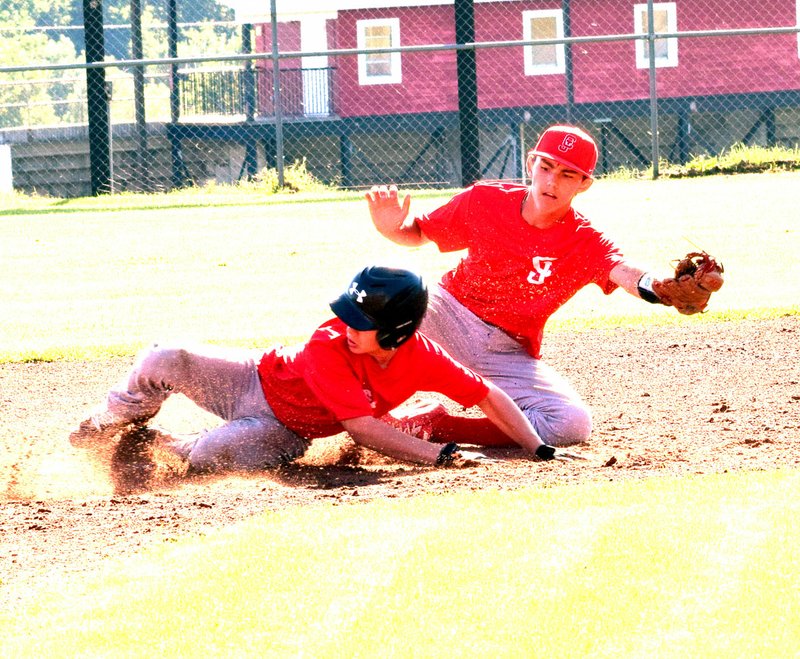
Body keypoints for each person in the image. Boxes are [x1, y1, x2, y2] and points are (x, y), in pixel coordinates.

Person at [365, 124, 723, 448]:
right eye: (546, 167)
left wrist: (659, 287)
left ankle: (437, 427)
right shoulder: (485, 200)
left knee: (570, 425)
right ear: (530, 163)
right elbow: (418, 234)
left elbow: (622, 269)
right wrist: (390, 228)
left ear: (584, 184)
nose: (551, 181)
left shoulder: (585, 240)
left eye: (568, 174)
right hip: (445, 315)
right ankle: (324, 415)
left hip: (504, 351)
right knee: (385, 297)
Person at [69, 266, 573, 475]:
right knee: (165, 357)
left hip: (285, 429)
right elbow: (362, 429)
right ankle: (107, 423)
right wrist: (437, 455)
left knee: (211, 461)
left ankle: (154, 443)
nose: (346, 324)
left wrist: (537, 446)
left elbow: (488, 396)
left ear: (397, 331)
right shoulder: (328, 341)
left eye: (362, 321)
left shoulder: (423, 358)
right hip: (251, 379)